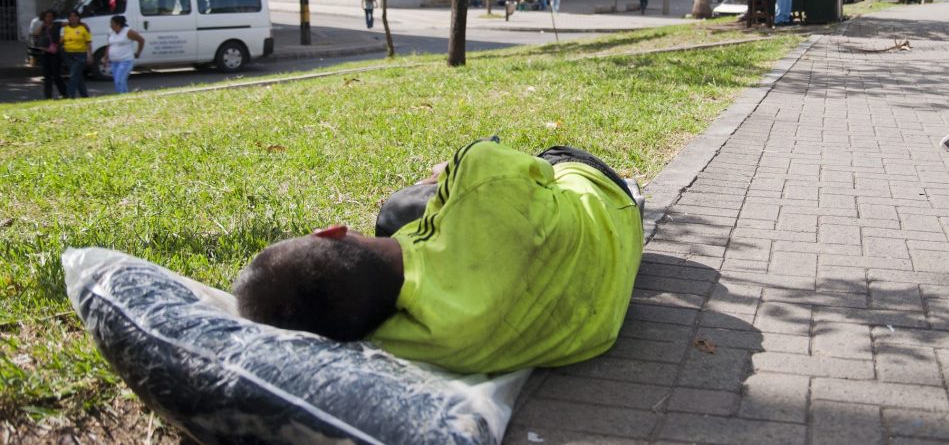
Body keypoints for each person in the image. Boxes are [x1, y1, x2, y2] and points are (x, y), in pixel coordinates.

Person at [233, 139, 643, 375]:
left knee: (401, 214)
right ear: (332, 231)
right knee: (398, 208)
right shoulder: (480, 172)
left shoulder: (400, 343)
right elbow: (543, 174)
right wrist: (445, 176)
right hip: (609, 205)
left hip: (601, 306)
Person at [104, 15, 145, 94]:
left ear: (118, 24)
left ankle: (123, 96)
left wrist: (138, 52)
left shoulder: (128, 31)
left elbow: (141, 40)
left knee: (120, 80)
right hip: (114, 61)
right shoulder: (111, 31)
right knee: (117, 81)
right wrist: (105, 57)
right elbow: (109, 45)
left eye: (112, 23)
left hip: (125, 60)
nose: (110, 25)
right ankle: (123, 95)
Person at [31, 10, 66, 99]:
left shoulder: (57, 24)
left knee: (56, 75)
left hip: (55, 53)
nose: (49, 18)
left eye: (50, 16)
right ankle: (48, 96)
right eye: (47, 17)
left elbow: (69, 24)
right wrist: (42, 25)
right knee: (47, 76)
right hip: (45, 53)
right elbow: (35, 34)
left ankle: (64, 93)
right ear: (44, 17)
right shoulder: (43, 26)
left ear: (53, 17)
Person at [61, 10, 93, 98]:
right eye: (71, 16)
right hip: (68, 54)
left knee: (73, 75)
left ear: (78, 18)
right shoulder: (66, 28)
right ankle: (84, 95)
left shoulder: (83, 28)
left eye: (75, 16)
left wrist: (89, 55)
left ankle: (70, 95)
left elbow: (88, 42)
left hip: (80, 54)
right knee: (77, 75)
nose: (73, 18)